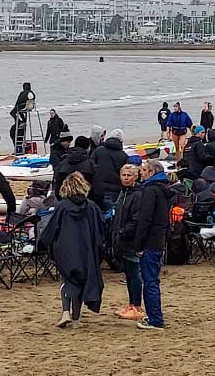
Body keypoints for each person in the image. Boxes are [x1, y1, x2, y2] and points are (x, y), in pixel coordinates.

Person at [40, 172, 105, 328]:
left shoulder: (62, 206)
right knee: (81, 282)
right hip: (87, 249)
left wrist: (42, 244)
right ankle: (76, 318)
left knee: (68, 279)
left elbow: (52, 227)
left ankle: (65, 312)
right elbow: (101, 228)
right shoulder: (92, 207)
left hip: (65, 249)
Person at [135, 159, 171, 331]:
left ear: (151, 172)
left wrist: (138, 244)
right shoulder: (163, 189)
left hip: (150, 241)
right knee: (151, 279)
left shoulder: (151, 190)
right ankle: (153, 315)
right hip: (158, 239)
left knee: (149, 281)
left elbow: (145, 219)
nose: (140, 173)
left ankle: (155, 319)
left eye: (143, 170)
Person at [112, 165, 143, 319]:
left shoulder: (137, 195)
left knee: (134, 274)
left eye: (129, 175)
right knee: (129, 275)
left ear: (136, 176)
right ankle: (132, 304)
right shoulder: (123, 193)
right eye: (123, 175)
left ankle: (137, 306)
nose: (126, 177)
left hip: (131, 240)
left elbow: (136, 219)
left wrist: (123, 232)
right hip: (122, 240)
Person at [89, 129, 129, 212]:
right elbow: (125, 174)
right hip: (116, 190)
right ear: (121, 141)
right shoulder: (123, 156)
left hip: (97, 188)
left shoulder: (98, 150)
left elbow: (90, 167)